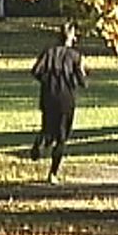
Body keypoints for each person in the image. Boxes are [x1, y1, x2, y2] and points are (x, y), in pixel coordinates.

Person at [31, 21, 86, 184]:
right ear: (71, 37)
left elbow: (36, 71)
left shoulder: (48, 53)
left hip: (48, 96)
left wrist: (47, 81)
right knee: (62, 138)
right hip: (66, 99)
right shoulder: (76, 56)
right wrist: (81, 71)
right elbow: (82, 81)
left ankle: (40, 141)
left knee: (47, 127)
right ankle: (53, 173)